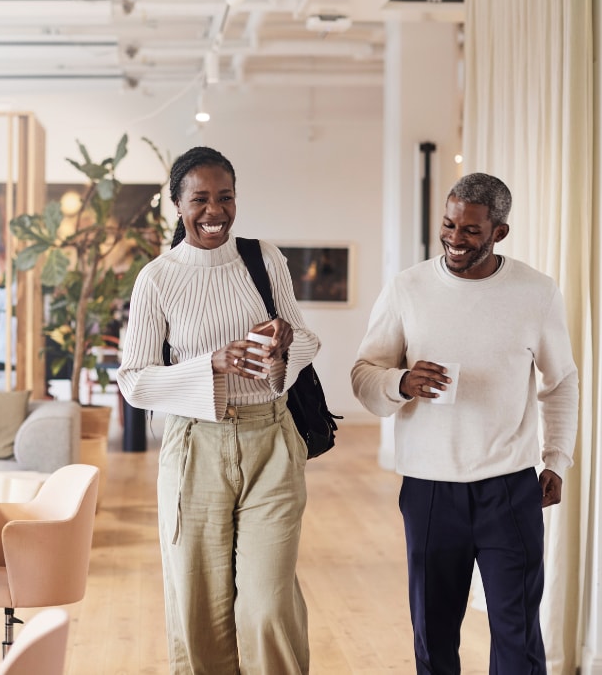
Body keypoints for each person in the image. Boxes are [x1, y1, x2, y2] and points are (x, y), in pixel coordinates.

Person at [351, 173, 577, 674]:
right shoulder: (407, 288)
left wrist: (557, 457)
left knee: (517, 634)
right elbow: (364, 375)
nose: (455, 239)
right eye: (448, 224)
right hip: (430, 491)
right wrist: (402, 381)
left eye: (471, 231)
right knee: (433, 636)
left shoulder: (536, 293)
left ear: (500, 232)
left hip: (510, 489)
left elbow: (560, 381)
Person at [118, 146, 321, 674]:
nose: (216, 211)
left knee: (269, 605)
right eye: (201, 199)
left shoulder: (264, 257)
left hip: (273, 440)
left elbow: (306, 340)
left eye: (225, 198)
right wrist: (211, 365)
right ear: (178, 205)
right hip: (194, 448)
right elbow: (134, 382)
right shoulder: (156, 279)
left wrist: (283, 346)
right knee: (199, 608)